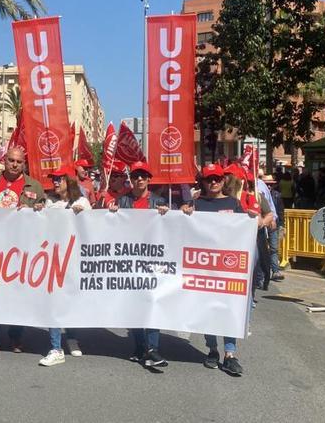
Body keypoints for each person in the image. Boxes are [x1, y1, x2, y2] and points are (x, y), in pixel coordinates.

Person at [181, 163, 260, 376]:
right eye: (209, 179)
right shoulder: (196, 203)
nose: (213, 182)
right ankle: (212, 350)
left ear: (224, 181)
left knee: (228, 307)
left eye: (217, 178)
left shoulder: (233, 203)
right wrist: (183, 212)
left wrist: (251, 219)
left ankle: (230, 354)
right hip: (204, 267)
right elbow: (182, 227)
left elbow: (244, 228)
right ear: (203, 182)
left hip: (228, 268)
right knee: (208, 308)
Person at [0, 147, 46, 360]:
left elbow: (43, 212)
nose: (14, 165)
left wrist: (38, 209)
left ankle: (16, 334)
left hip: (22, 248)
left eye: (18, 162)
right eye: (11, 161)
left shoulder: (35, 186)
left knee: (17, 293)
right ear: (5, 161)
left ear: (24, 164)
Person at [108, 161, 171, 368]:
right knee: (134, 306)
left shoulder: (160, 201)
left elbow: (174, 228)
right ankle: (139, 347)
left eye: (143, 176)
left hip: (153, 262)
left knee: (153, 303)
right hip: (131, 262)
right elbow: (109, 227)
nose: (139, 179)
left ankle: (152, 349)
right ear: (131, 179)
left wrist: (168, 213)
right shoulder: (123, 201)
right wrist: (111, 212)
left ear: (149, 179)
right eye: (136, 176)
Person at [39, 165, 91, 367]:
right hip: (53, 259)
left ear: (69, 180)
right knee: (54, 301)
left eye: (59, 178)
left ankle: (71, 338)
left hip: (74, 259)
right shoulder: (50, 203)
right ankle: (55, 347)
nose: (55, 182)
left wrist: (83, 215)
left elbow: (93, 228)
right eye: (53, 178)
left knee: (70, 301)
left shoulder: (82, 202)